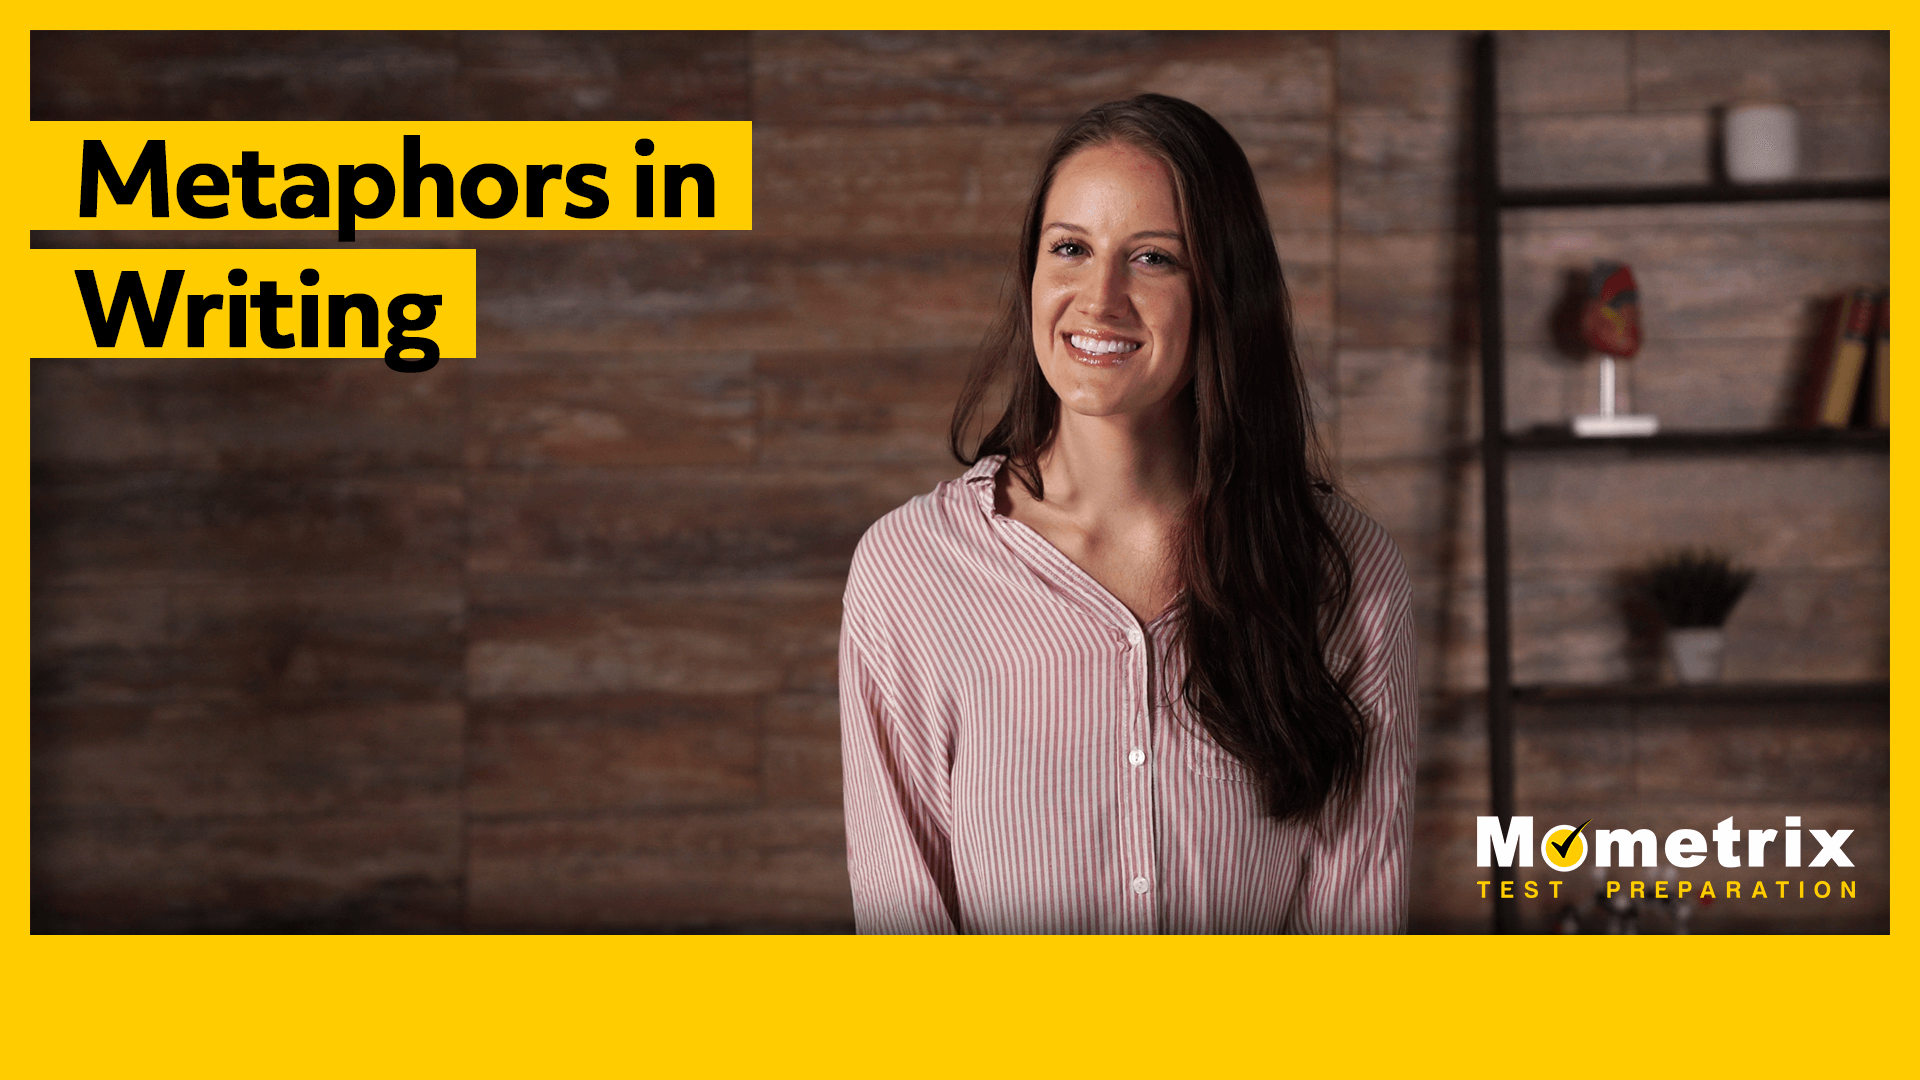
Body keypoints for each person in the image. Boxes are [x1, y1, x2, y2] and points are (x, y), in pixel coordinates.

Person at [838, 94, 1417, 933]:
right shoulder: (912, 574)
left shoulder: (1342, 572)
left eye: (1152, 259)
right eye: (1070, 248)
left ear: (1223, 290)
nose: (1099, 298)